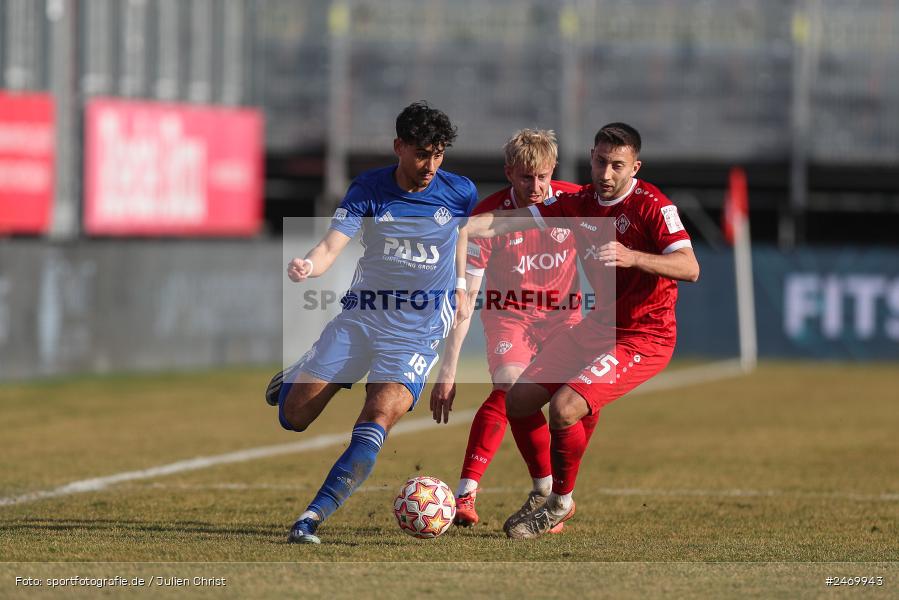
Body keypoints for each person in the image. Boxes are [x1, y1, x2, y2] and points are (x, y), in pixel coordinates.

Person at [464, 122, 700, 539]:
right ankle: (542, 491)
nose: (606, 174)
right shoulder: (581, 203)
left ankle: (559, 503)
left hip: (645, 336)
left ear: (635, 167)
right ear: (590, 158)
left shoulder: (652, 206)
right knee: (517, 398)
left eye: (617, 166)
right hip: (598, 328)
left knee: (565, 407)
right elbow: (503, 224)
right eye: (599, 162)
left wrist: (634, 257)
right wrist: (454, 230)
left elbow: (689, 267)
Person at [265, 101, 479, 544]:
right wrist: (308, 266)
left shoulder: (459, 191)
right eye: (422, 153)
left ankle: (310, 518)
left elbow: (460, 233)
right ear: (399, 146)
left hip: (416, 332)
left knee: (378, 416)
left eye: (438, 155)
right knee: (293, 417)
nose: (430, 166)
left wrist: (459, 282)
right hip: (362, 318)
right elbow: (329, 247)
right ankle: (296, 375)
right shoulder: (368, 188)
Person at [429, 129, 597, 531]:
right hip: (510, 317)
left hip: (565, 318)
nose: (535, 186)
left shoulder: (573, 202)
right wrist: (448, 371)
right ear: (509, 173)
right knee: (508, 386)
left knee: (582, 402)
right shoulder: (488, 219)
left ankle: (554, 495)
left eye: (541, 176)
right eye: (525, 177)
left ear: (552, 170)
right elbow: (465, 299)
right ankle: (469, 492)